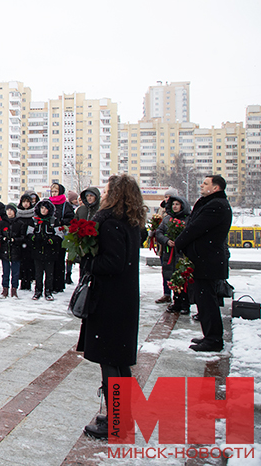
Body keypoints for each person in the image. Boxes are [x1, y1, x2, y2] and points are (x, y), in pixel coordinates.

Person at [78, 174, 146, 440]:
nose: (104, 194)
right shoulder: (129, 222)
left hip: (110, 301)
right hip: (123, 299)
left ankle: (116, 423)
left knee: (110, 362)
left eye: (107, 190)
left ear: (116, 194)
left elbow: (113, 263)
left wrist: (87, 261)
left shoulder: (111, 224)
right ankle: (122, 417)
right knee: (118, 362)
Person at [174, 175, 232, 352]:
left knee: (207, 301)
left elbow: (195, 228)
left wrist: (179, 242)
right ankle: (210, 336)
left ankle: (214, 340)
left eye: (206, 183)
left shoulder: (216, 206)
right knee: (204, 300)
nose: (201, 185)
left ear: (216, 188)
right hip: (205, 259)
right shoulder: (213, 203)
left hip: (207, 260)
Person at [154, 194, 190, 307]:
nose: (174, 206)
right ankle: (176, 302)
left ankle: (185, 303)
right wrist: (167, 241)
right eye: (173, 204)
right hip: (169, 253)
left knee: (183, 277)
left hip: (182, 254)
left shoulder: (188, 219)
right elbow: (158, 233)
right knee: (171, 276)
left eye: (177, 204)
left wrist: (180, 241)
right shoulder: (167, 219)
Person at [47, 182, 74, 292]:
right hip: (49, 233)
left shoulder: (65, 205)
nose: (54, 194)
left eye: (56, 191)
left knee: (59, 259)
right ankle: (49, 283)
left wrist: (61, 222)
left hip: (61, 234)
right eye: (52, 191)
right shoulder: (48, 202)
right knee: (49, 260)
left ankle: (58, 284)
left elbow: (71, 218)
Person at [0, 204, 23, 298]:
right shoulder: (2, 223)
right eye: (8, 210)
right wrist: (3, 238)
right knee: (5, 272)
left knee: (15, 272)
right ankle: (5, 289)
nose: (9, 212)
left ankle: (14, 290)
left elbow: (22, 237)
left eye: (11, 210)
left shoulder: (19, 223)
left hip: (16, 251)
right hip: (5, 250)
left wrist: (14, 240)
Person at [15, 194, 35, 293]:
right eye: (24, 202)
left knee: (29, 264)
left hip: (30, 244)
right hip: (20, 244)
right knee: (21, 264)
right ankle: (22, 282)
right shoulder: (18, 215)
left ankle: (29, 281)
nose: (26, 204)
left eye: (28, 202)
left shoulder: (33, 216)